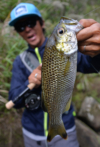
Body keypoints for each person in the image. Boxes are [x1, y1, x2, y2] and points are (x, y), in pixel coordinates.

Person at [8, 2, 100, 147]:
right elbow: (13, 99)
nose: (27, 29)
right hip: (31, 133)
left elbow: (92, 64)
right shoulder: (19, 62)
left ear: (42, 23)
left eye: (31, 23)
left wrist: (97, 51)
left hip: (66, 131)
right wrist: (29, 83)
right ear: (18, 32)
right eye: (20, 27)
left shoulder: (69, 50)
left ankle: (57, 123)